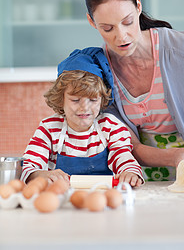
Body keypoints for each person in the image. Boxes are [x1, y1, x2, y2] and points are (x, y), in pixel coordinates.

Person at [84, 0, 184, 180]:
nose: (121, 36)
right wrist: (172, 156)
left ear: (138, 6)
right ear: (92, 22)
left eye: (127, 22)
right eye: (107, 28)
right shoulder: (100, 71)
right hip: (141, 180)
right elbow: (126, 144)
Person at [21, 47, 144, 187]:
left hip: (102, 197)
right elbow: (28, 166)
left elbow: (123, 156)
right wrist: (40, 174)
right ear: (61, 99)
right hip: (61, 198)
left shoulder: (110, 127)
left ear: (102, 100)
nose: (84, 108)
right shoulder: (49, 129)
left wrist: (129, 173)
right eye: (75, 100)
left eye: (93, 100)